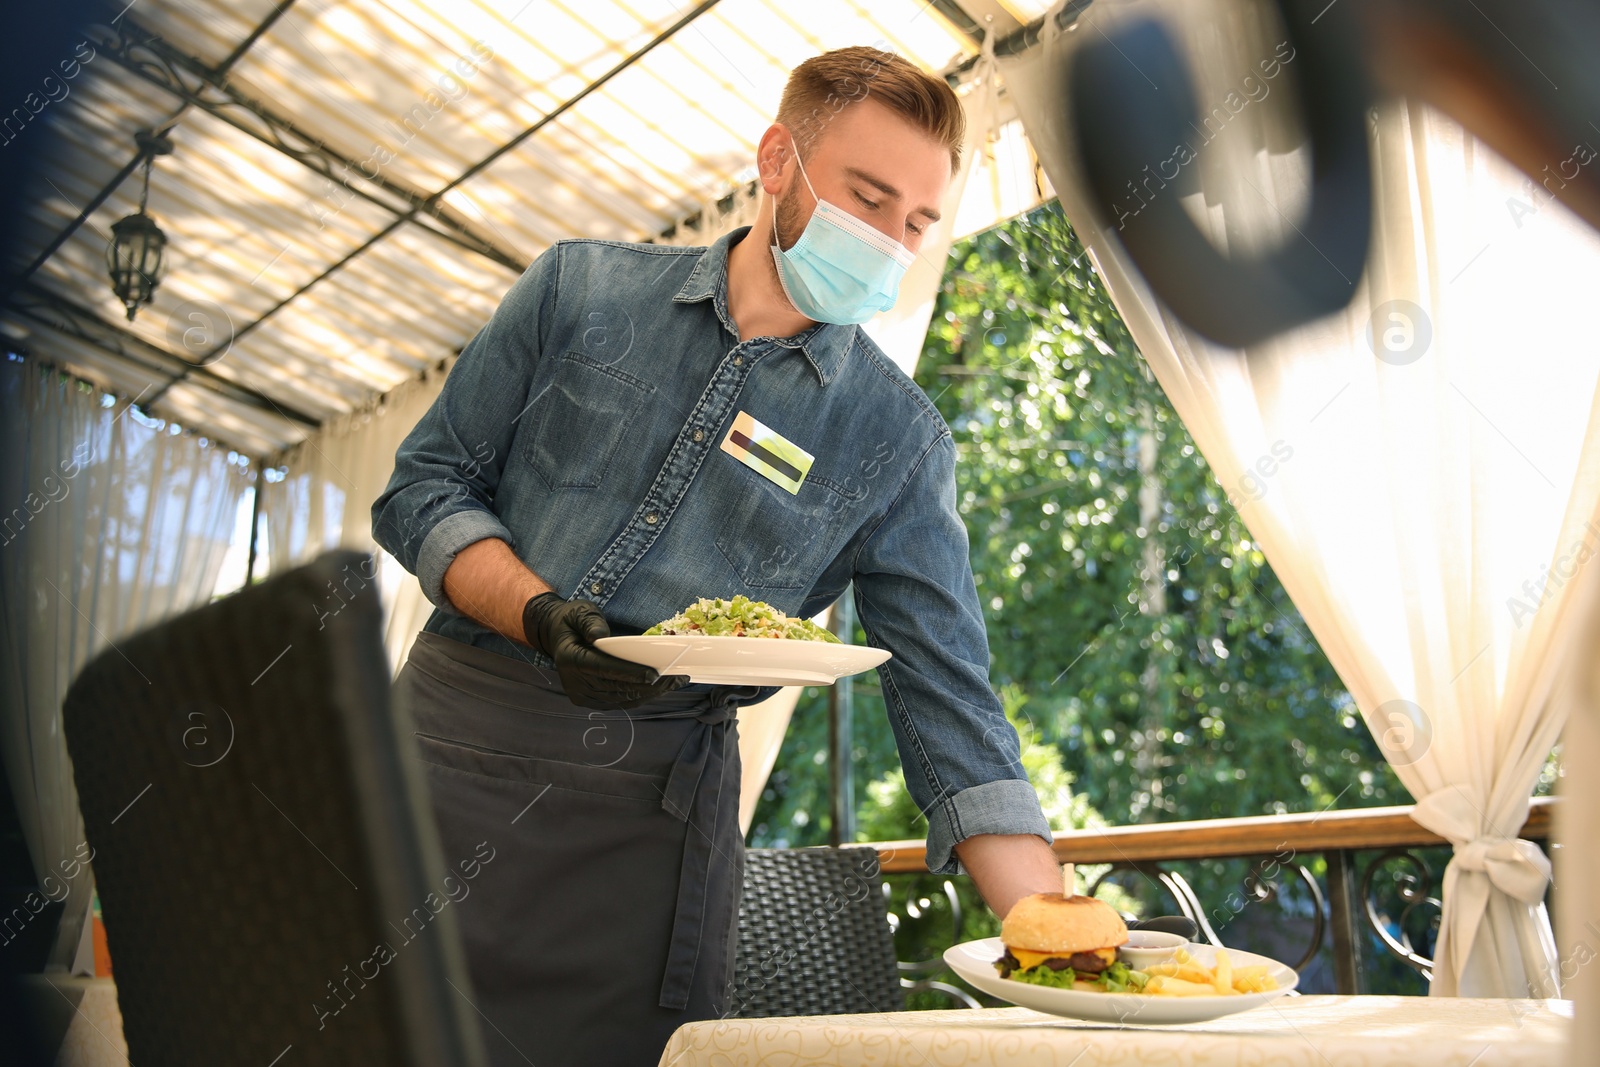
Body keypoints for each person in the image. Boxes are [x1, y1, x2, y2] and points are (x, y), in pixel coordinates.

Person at [372, 45, 1063, 1067]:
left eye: (917, 223)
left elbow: (946, 695)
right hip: (445, 757)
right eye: (868, 199)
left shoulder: (896, 436)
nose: (889, 244)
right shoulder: (579, 290)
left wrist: (1056, 934)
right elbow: (424, 487)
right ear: (777, 159)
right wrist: (537, 610)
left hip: (646, 820)